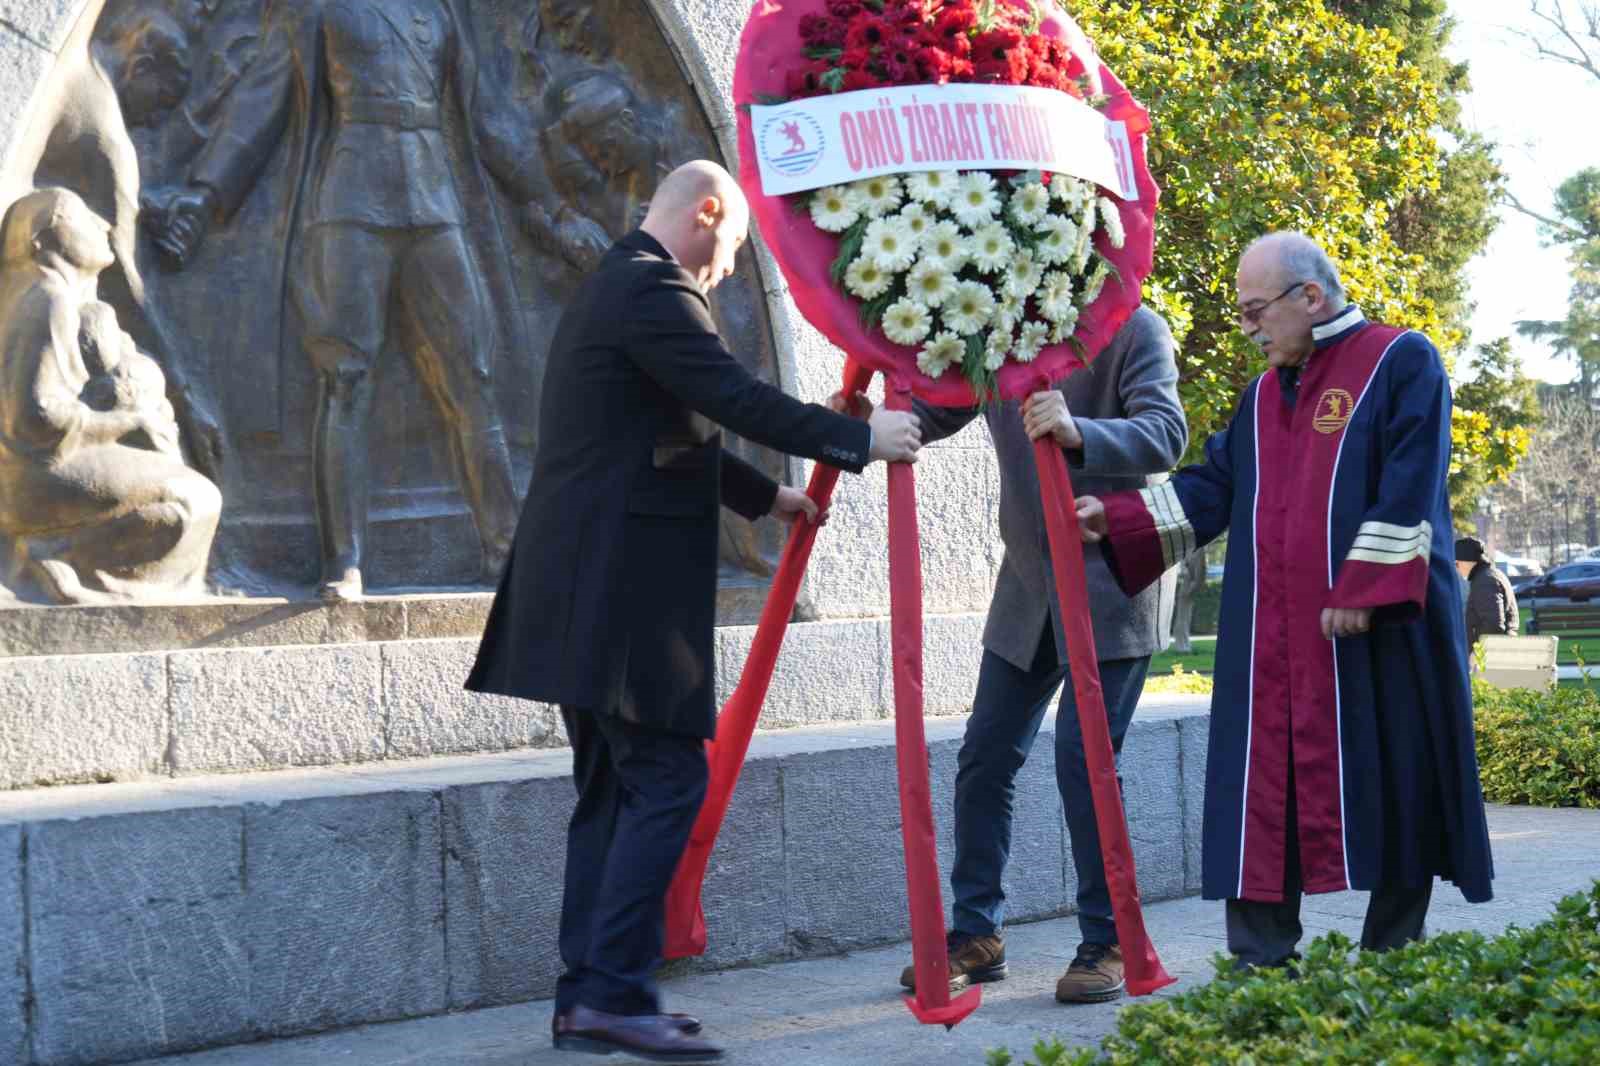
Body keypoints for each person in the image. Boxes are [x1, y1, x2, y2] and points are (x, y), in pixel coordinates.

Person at [466, 161, 923, 1061]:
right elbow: (729, 396)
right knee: (669, 781)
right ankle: (612, 993)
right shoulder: (654, 288)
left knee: (610, 788)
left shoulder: (615, 285)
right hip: (621, 589)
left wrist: (767, 499)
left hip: (584, 586)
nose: (727, 267)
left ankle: (584, 997)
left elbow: (666, 434)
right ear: (706, 213)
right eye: (735, 247)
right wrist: (857, 440)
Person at [1075, 232, 1494, 970]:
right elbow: (1214, 487)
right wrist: (1119, 516)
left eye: (1254, 310)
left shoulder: (1402, 359)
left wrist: (1363, 588)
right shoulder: (1264, 394)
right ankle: (1260, 958)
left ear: (1310, 295)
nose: (1248, 327)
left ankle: (1393, 955)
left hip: (1379, 633)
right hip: (1269, 636)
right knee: (1258, 791)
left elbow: (1413, 484)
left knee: (1395, 778)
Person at [144, 0, 541, 601]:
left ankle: (507, 550)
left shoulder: (440, 14)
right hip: (350, 203)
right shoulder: (320, 9)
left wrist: (549, 207)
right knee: (345, 380)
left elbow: (486, 118)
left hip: (434, 205)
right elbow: (262, 103)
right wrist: (204, 197)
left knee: (473, 377)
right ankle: (344, 561)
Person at [865, 308, 1187, 1003]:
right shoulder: (1002, 330)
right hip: (1028, 587)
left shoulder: (1134, 328)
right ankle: (978, 934)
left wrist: (1079, 431)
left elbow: (1167, 435)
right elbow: (945, 404)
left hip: (1112, 585)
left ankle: (1106, 940)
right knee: (983, 754)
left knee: (1084, 757)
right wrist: (883, 406)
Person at [0, 189, 220, 604]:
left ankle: (64, 560)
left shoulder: (59, 299)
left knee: (181, 506)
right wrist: (127, 421)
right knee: (197, 500)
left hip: (43, 473)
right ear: (41, 241)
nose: (102, 224)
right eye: (81, 216)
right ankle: (61, 560)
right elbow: (35, 417)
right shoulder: (50, 300)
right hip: (39, 478)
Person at [1456, 536, 1518, 655]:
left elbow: (1494, 625)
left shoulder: (1484, 581)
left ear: (1468, 561)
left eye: (1457, 564)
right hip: (1499, 654)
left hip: (1490, 659)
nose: (1456, 568)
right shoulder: (1491, 575)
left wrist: (1477, 653)